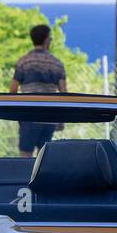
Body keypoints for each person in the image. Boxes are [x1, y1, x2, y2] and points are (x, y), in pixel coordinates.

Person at [10, 24, 68, 157]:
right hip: (49, 116)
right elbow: (64, 94)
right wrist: (61, 120)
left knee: (25, 159)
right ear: (47, 40)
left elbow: (12, 90)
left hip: (28, 116)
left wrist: (17, 114)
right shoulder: (56, 64)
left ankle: (25, 178)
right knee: (44, 160)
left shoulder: (23, 62)